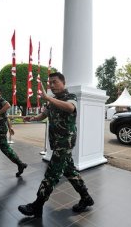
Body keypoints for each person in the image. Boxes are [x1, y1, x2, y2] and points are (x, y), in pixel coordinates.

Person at [18, 72, 94, 218]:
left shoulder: (70, 97)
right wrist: (32, 118)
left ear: (63, 83)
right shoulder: (51, 100)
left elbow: (70, 108)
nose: (52, 86)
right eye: (50, 83)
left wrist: (48, 98)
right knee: (70, 171)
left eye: (55, 82)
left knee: (51, 174)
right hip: (57, 142)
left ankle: (37, 205)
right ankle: (86, 198)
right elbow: (44, 115)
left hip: (65, 142)